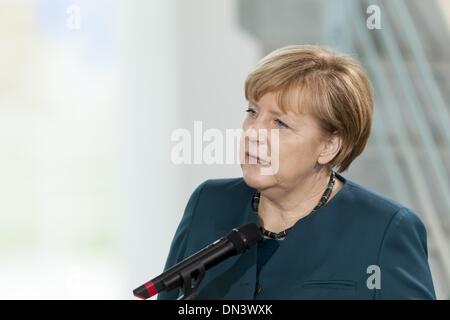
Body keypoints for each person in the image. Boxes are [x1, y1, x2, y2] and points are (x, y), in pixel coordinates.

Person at [157, 45, 435, 300]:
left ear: (328, 146)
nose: (253, 132)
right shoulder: (208, 202)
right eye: (252, 112)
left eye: (279, 123)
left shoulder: (385, 229)